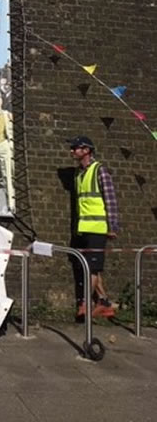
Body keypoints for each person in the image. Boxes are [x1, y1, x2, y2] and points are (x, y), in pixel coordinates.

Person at [67, 136, 119, 320]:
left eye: (76, 147)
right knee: (90, 268)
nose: (72, 151)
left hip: (98, 228)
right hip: (83, 228)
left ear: (87, 150)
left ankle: (85, 304)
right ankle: (104, 301)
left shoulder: (100, 170)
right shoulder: (79, 174)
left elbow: (110, 198)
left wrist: (112, 226)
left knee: (91, 268)